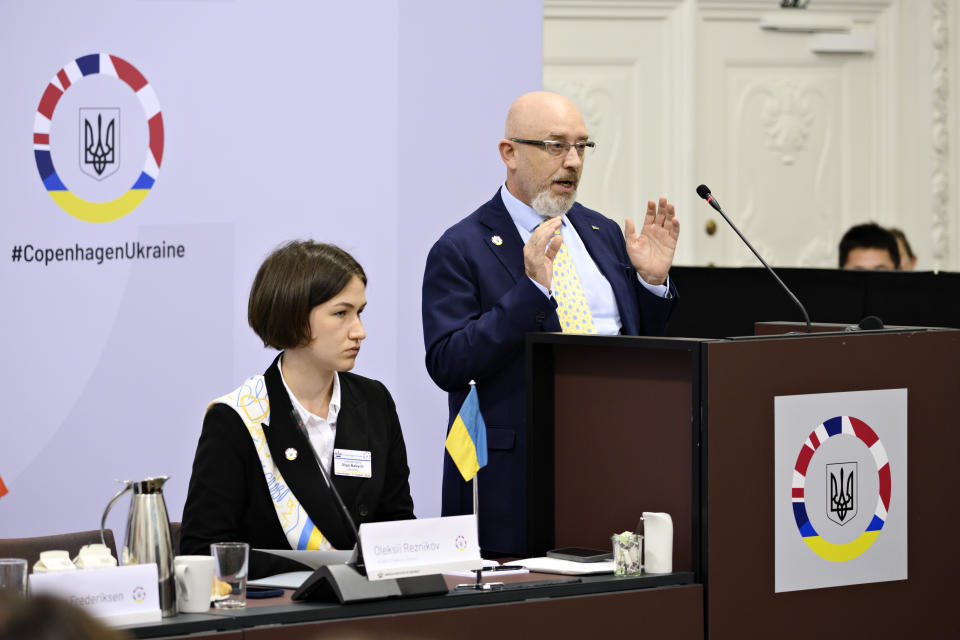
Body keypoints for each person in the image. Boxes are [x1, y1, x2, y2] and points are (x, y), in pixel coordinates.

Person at [421, 91, 680, 555]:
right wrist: (532, 294)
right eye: (556, 146)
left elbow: (634, 342)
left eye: (582, 147)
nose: (574, 162)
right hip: (517, 474)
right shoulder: (461, 248)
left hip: (614, 454)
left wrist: (652, 284)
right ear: (510, 153)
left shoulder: (601, 233)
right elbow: (448, 363)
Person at [181, 241, 414, 579]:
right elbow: (202, 552)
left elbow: (396, 525)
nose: (359, 331)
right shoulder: (236, 419)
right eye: (341, 313)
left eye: (360, 312)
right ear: (294, 317)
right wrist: (310, 569)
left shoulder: (375, 401)